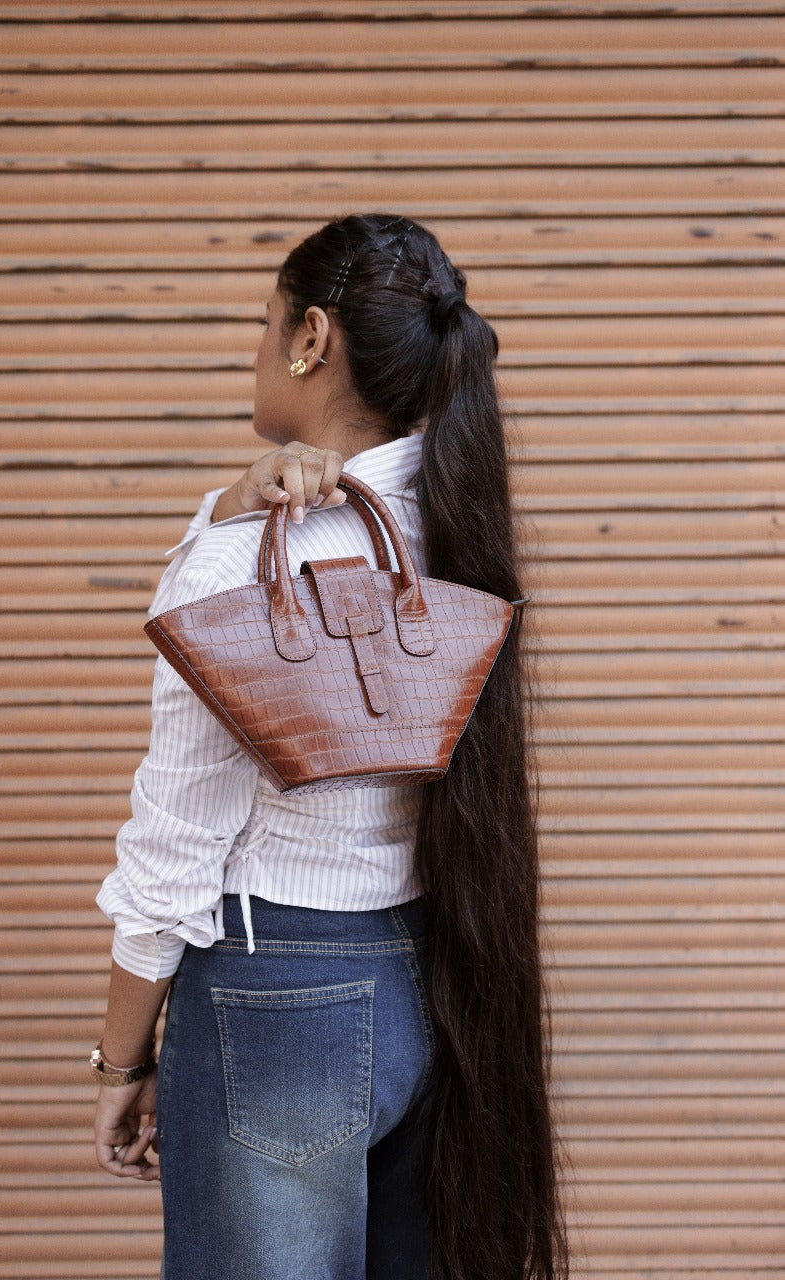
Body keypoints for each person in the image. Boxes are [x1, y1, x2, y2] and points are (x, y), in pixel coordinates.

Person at [93, 214, 567, 1280]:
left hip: (273, 995)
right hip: (431, 978)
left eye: (264, 324)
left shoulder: (237, 565)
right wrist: (228, 502)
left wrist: (120, 1058)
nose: (257, 349)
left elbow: (175, 842)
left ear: (311, 336)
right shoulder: (455, 518)